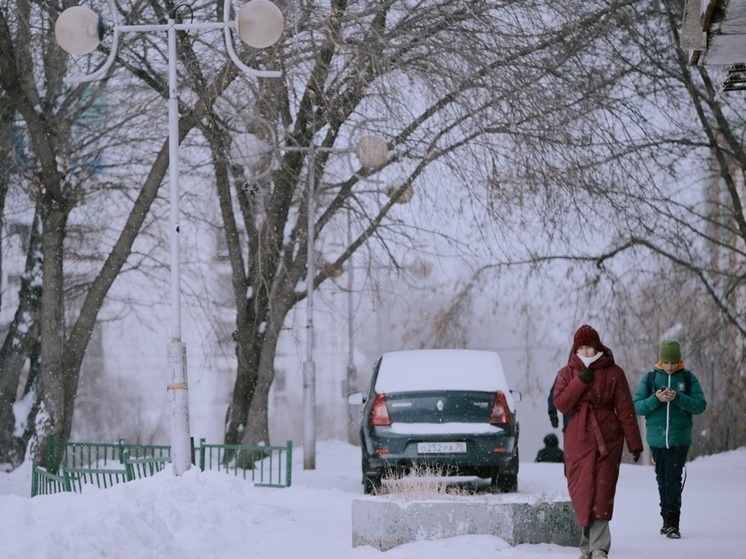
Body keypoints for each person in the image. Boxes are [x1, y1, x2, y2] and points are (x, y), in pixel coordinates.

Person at [553, 324, 643, 559]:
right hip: (578, 438)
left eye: (589, 347)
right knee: (582, 491)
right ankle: (586, 546)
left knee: (602, 491)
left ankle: (599, 547)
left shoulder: (614, 372)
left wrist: (635, 443)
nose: (585, 352)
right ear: (575, 349)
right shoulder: (566, 372)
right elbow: (561, 403)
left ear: (597, 347)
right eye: (580, 348)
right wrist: (580, 381)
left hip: (608, 439)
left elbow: (625, 409)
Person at [633, 339, 707, 539]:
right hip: (656, 440)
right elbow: (637, 406)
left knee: (673, 479)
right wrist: (656, 399)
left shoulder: (688, 378)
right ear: (660, 360)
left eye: (674, 362)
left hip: (679, 440)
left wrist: (678, 398)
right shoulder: (650, 378)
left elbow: (700, 405)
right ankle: (666, 518)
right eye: (666, 362)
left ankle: (673, 521)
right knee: (662, 480)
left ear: (679, 360)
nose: (670, 366)